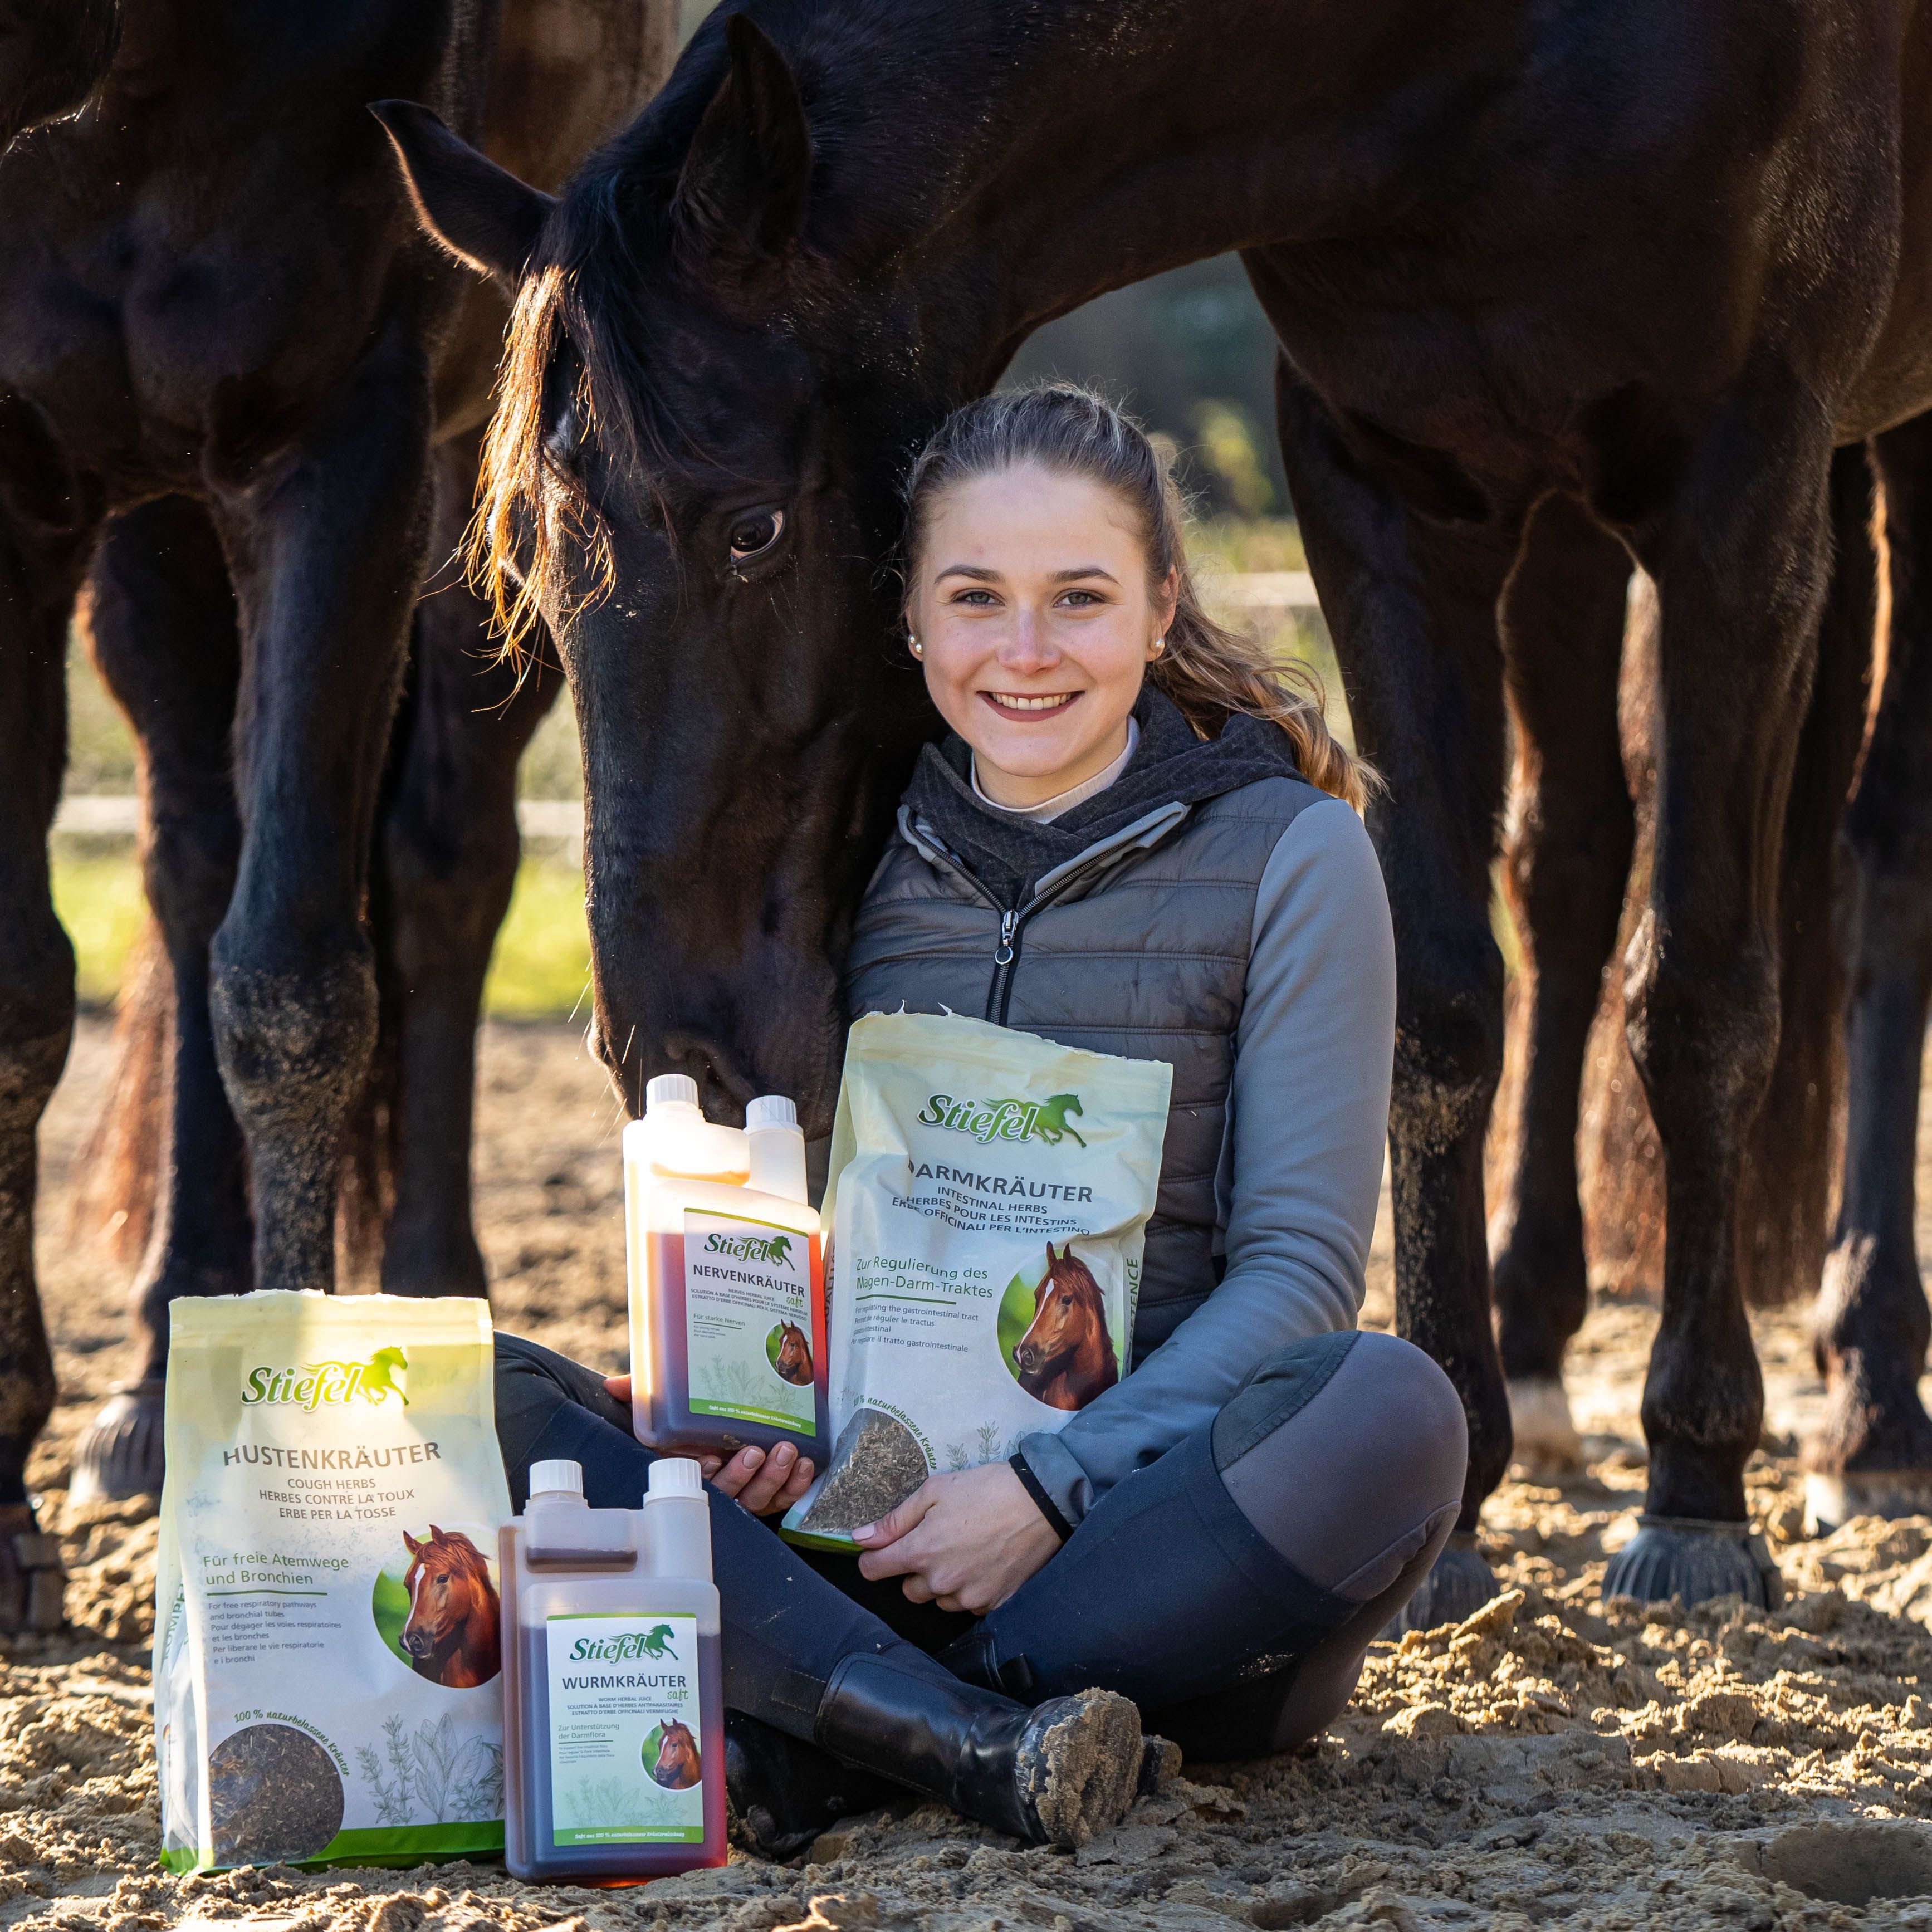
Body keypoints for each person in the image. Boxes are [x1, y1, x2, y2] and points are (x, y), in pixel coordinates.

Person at [492, 384, 1468, 1856]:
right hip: (867, 1528)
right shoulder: (845, 850)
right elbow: (791, 1219)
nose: (1024, 651)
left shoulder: (1298, 853)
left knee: (1391, 1411)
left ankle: (850, 1726)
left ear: (1159, 607)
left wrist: (1047, 1492)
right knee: (486, 1398)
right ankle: (958, 1742)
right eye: (976, 599)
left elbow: (1298, 1277)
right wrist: (757, 1419)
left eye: (1079, 598)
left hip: (1148, 1567)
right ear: (910, 622)